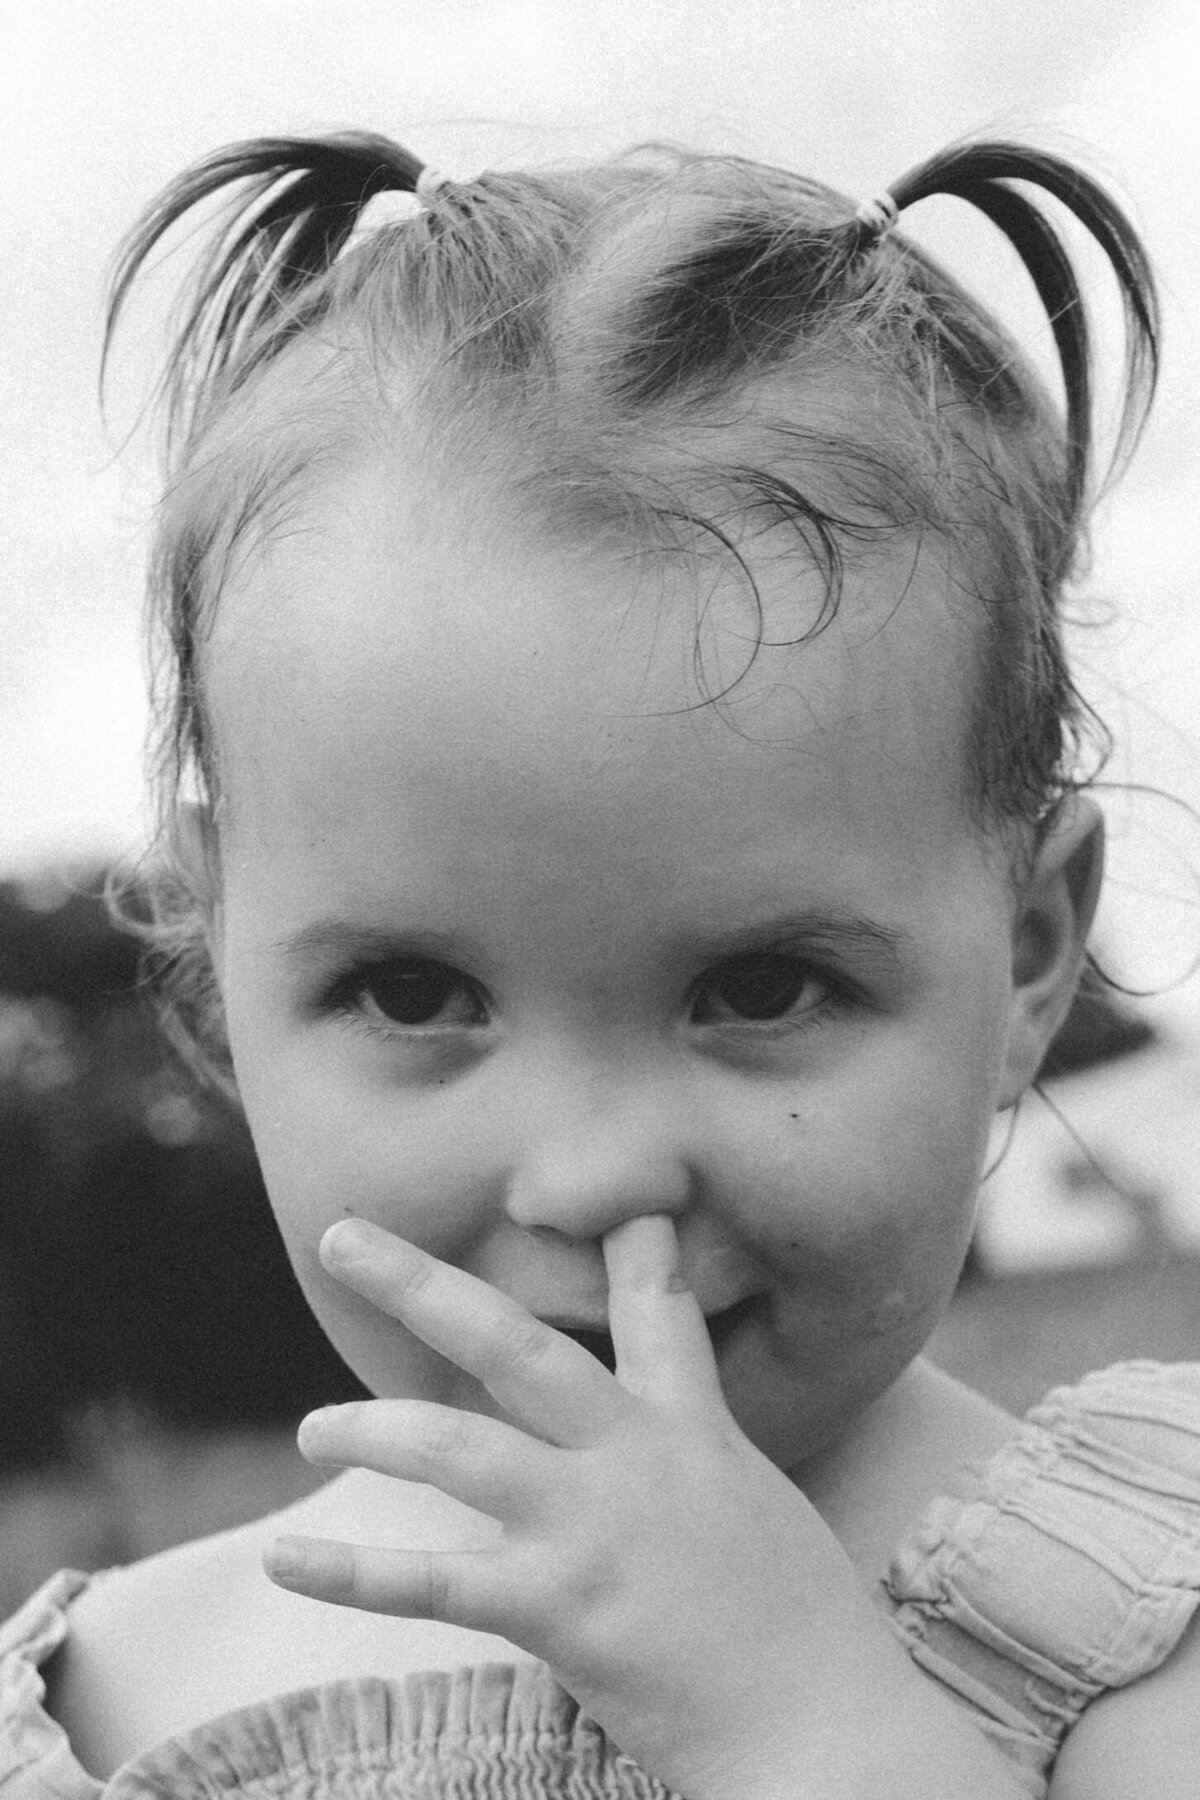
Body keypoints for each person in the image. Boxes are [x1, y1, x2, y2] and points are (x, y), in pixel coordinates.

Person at [2, 129, 1196, 1800]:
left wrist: (803, 1726)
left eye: (764, 985)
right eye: (412, 994)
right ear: (215, 977)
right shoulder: (110, 1715)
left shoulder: (1145, 1636)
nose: (594, 1171)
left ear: (1033, 952)